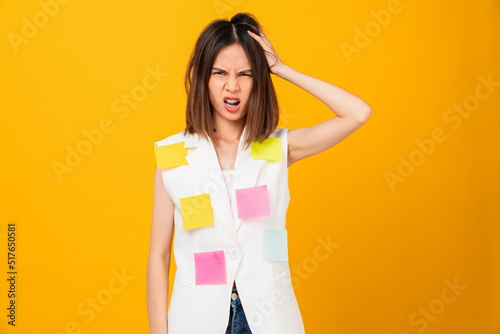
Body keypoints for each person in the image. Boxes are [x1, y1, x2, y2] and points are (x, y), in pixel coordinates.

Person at [147, 12, 372, 334]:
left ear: (259, 79)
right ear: (203, 78)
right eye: (220, 72)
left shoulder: (278, 148)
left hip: (270, 317)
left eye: (246, 74)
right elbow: (158, 256)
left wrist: (281, 68)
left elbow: (358, 112)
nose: (232, 85)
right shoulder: (173, 154)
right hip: (197, 319)